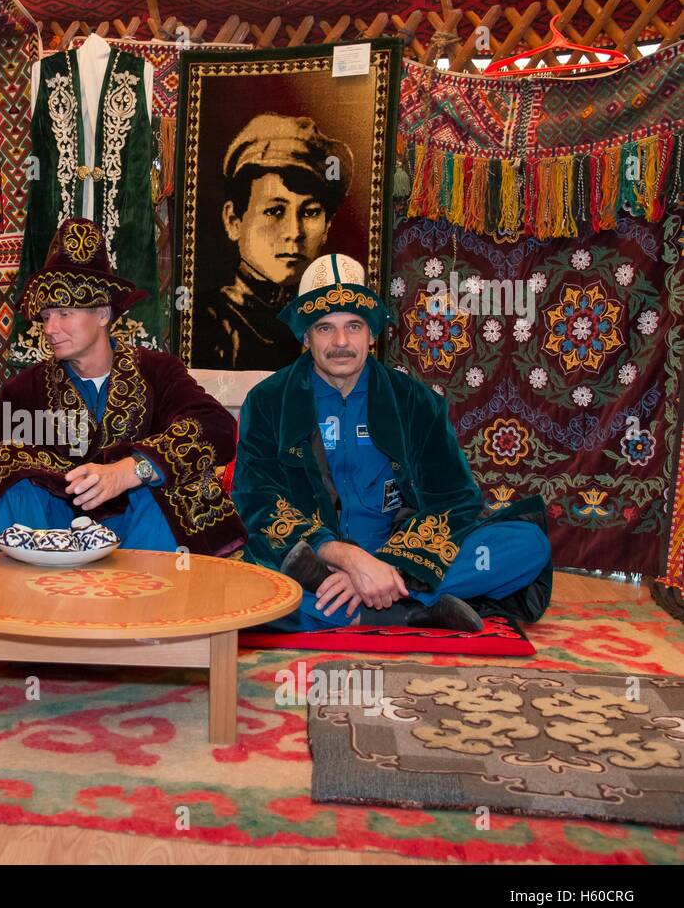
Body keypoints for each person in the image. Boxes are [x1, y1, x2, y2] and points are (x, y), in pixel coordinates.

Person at [234, 253, 552, 631]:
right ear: (305, 336)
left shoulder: (416, 401)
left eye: (353, 326)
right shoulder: (268, 401)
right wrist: (345, 558)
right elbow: (258, 501)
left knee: (528, 544)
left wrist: (388, 565)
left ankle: (360, 603)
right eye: (324, 328)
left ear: (372, 333)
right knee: (247, 587)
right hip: (316, 562)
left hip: (403, 557)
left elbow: (456, 498)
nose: (340, 342)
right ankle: (412, 607)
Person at [0, 217, 245, 557]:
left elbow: (216, 426)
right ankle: (35, 595)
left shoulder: (157, 371)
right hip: (58, 530)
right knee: (8, 460)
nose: (50, 328)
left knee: (172, 477)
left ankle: (141, 600)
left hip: (139, 527)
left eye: (64, 313)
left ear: (103, 314)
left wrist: (131, 470)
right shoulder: (27, 388)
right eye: (45, 317)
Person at [196, 113, 353, 371]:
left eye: (311, 211)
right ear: (234, 220)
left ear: (327, 227)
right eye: (274, 211)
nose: (294, 232)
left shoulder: (335, 322)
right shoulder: (206, 323)